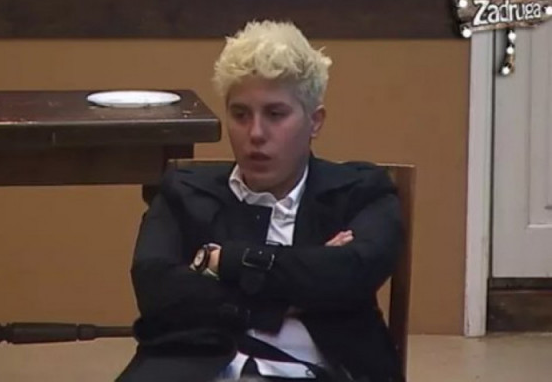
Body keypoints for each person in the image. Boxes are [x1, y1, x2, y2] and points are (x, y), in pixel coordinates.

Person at [117, 20, 404, 382]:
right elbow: (157, 289)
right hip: (195, 368)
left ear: (315, 121)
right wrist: (297, 289)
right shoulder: (185, 192)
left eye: (275, 114)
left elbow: (352, 273)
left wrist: (225, 261)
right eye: (240, 115)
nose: (255, 133)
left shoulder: (359, 191)